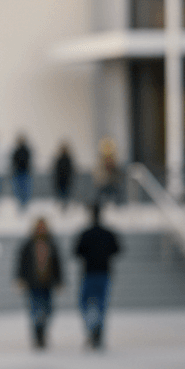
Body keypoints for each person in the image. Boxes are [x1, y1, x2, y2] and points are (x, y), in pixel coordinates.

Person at [74, 204, 121, 350]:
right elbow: (117, 249)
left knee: (85, 303)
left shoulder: (85, 233)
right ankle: (97, 329)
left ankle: (92, 327)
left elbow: (76, 252)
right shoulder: (108, 233)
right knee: (101, 304)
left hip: (89, 272)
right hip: (103, 272)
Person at [15, 217, 62, 350]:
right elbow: (22, 263)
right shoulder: (28, 244)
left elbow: (57, 264)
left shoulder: (51, 244)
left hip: (47, 283)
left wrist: (59, 281)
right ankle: (38, 334)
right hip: (33, 283)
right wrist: (20, 279)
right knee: (35, 310)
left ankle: (42, 331)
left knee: (47, 310)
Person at [10, 134, 33, 211]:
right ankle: (20, 204)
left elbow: (29, 161)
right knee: (18, 190)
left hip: (25, 172)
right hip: (18, 172)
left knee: (25, 190)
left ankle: (24, 204)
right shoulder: (16, 151)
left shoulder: (26, 150)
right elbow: (13, 161)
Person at [53, 142, 75, 210]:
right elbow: (56, 170)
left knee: (66, 195)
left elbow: (71, 170)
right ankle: (62, 207)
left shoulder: (68, 159)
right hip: (60, 179)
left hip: (66, 179)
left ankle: (65, 207)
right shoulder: (59, 159)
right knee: (61, 194)